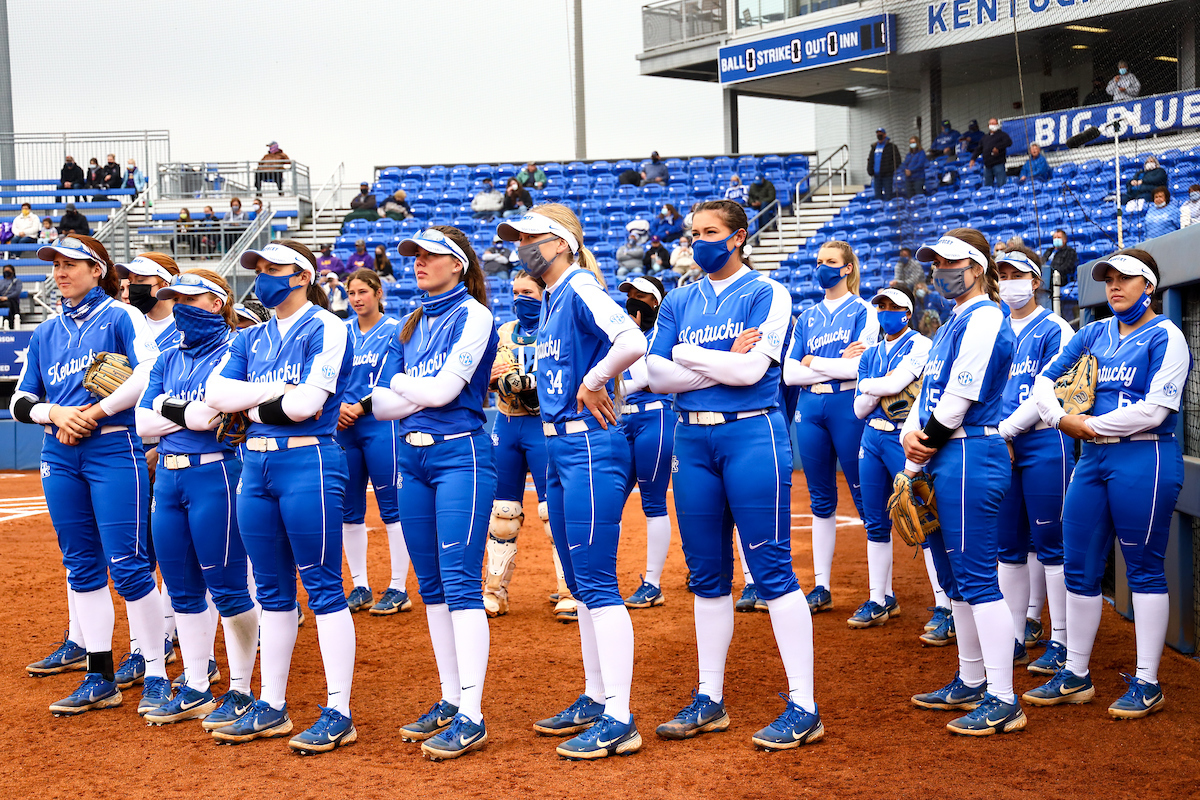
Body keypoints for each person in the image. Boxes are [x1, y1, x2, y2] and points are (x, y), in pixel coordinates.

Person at [646, 198, 822, 751]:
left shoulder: (767, 292)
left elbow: (750, 373)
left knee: (772, 571)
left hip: (753, 435)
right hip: (691, 440)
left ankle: (803, 704)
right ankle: (710, 698)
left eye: (710, 231)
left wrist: (686, 354)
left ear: (739, 236)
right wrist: (711, 355)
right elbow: (655, 374)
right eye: (693, 232)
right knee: (706, 575)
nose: (698, 240)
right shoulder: (676, 297)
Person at [496, 205, 647, 760]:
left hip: (588, 441)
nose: (523, 247)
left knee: (598, 583)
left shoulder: (579, 283)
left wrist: (592, 379)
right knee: (582, 583)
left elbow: (632, 340)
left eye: (532, 238)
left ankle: (620, 716)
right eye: (519, 239)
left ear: (561, 243)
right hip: (561, 442)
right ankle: (595, 694)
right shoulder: (557, 293)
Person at [204, 240, 358, 754]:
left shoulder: (328, 325)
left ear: (300, 276)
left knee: (324, 588)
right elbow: (217, 396)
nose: (261, 276)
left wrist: (259, 401)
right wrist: (277, 394)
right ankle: (272, 705)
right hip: (258, 462)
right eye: (258, 268)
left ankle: (339, 710)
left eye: (272, 269)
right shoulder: (253, 335)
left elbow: (308, 405)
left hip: (309, 459)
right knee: (271, 590)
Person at [1025, 250, 1189, 720]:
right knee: (1078, 566)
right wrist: (1059, 416)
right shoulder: (1093, 332)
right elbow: (1043, 380)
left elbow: (1156, 410)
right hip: (1092, 458)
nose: (1115, 286)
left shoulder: (1167, 336)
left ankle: (1147, 681)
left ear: (1149, 286)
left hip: (1145, 454)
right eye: (1109, 279)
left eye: (1126, 278)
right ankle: (1076, 673)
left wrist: (1087, 425)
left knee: (1143, 569)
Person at [10, 235, 167, 718]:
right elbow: (20, 400)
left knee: (129, 564)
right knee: (80, 565)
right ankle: (98, 674)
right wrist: (55, 412)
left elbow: (149, 371)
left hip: (113, 446)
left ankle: (157, 673)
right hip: (60, 452)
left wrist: (95, 410)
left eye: (70, 264)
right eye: (54, 265)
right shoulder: (45, 331)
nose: (59, 272)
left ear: (98, 270)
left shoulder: (124, 316)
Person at [368, 227, 498, 760]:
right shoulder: (412, 323)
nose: (419, 263)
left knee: (462, 585)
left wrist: (408, 390)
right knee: (433, 588)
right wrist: (411, 391)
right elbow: (378, 404)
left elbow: (443, 392)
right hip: (413, 459)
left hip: (460, 455)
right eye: (415, 256)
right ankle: (450, 698)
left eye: (431, 256)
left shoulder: (476, 314)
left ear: (459, 264)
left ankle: (472, 713)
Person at [133, 268, 261, 730]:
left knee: (228, 588)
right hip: (167, 479)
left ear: (216, 302)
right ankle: (195, 685)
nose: (180, 306)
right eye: (175, 299)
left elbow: (212, 417)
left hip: (216, 475)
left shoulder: (236, 349)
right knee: (183, 591)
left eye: (190, 298)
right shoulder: (168, 356)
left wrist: (176, 410)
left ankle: (243, 690)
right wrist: (185, 413)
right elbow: (143, 424)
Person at [904, 230, 1021, 737]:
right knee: (954, 582)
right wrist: (915, 446)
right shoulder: (954, 320)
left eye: (951, 261)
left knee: (976, 579)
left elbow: (959, 395)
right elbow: (929, 391)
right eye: (935, 262)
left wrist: (920, 446)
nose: (940, 269)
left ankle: (1003, 697)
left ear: (977, 266)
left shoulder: (987, 315)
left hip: (970, 448)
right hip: (947, 452)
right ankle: (972, 679)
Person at [991, 248, 1076, 676]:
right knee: (1008, 549)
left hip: (1044, 440)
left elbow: (1051, 392)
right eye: (1002, 274)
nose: (1009, 281)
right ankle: (1014, 636)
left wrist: (1006, 430)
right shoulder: (994, 329)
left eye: (1017, 274)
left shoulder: (1055, 327)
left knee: (1052, 547)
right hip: (1002, 446)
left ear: (1036, 281)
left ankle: (1060, 639)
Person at [784, 241, 876, 613]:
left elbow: (859, 368)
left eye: (831, 262)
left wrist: (812, 360)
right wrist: (831, 361)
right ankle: (821, 586)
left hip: (847, 404)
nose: (823, 267)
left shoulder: (864, 311)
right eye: (819, 261)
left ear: (848, 268)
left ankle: (879, 593)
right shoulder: (806, 317)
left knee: (865, 497)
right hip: (811, 407)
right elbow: (790, 373)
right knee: (820, 499)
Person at [482, 271, 576, 621]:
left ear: (544, 293)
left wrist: (530, 381)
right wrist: (493, 378)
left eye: (528, 291)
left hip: (544, 427)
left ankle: (569, 591)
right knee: (503, 515)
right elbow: (486, 376)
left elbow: (567, 372)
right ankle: (494, 592)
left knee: (554, 514)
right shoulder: (503, 332)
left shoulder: (558, 326)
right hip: (506, 425)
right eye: (515, 291)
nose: (520, 297)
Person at [849, 287, 943, 631]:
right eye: (881, 306)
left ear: (908, 311)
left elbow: (897, 383)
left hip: (904, 435)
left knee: (924, 519)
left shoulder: (921, 344)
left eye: (893, 306)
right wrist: (882, 386)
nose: (885, 311)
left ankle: (944, 603)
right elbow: (859, 408)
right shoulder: (870, 353)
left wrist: (875, 387)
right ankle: (879, 598)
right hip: (872, 436)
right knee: (875, 522)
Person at [334, 269, 413, 616]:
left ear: (378, 292)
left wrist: (359, 405)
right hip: (343, 427)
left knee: (392, 509)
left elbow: (399, 378)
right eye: (351, 292)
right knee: (350, 512)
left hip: (381, 425)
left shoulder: (396, 329)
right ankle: (360, 585)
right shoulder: (342, 332)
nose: (356, 298)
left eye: (363, 291)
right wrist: (336, 407)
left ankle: (398, 587)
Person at [617, 275, 676, 611]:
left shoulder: (660, 335)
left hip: (656, 416)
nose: (633, 301)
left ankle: (652, 583)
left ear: (655, 302)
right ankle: (601, 577)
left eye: (641, 295)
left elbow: (643, 378)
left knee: (653, 502)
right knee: (611, 497)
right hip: (624, 417)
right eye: (630, 294)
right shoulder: (625, 337)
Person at [118, 254, 182, 350]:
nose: (133, 288)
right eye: (131, 282)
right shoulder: (130, 326)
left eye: (140, 280)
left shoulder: (188, 329)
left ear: (165, 285)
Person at [970, 119, 1012, 189]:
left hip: (998, 164)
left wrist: (998, 148)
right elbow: (979, 149)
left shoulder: (1002, 135)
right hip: (987, 165)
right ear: (988, 126)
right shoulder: (985, 138)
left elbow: (1008, 142)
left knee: (1002, 184)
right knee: (988, 186)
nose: (993, 125)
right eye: (991, 123)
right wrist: (973, 158)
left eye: (994, 124)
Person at [867, 128, 901, 201]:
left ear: (885, 134)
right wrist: (870, 170)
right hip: (876, 176)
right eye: (878, 133)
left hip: (887, 176)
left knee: (888, 195)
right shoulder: (874, 147)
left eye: (881, 133)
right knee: (877, 196)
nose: (879, 135)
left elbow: (897, 161)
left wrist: (889, 170)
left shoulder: (891, 147)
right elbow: (870, 159)